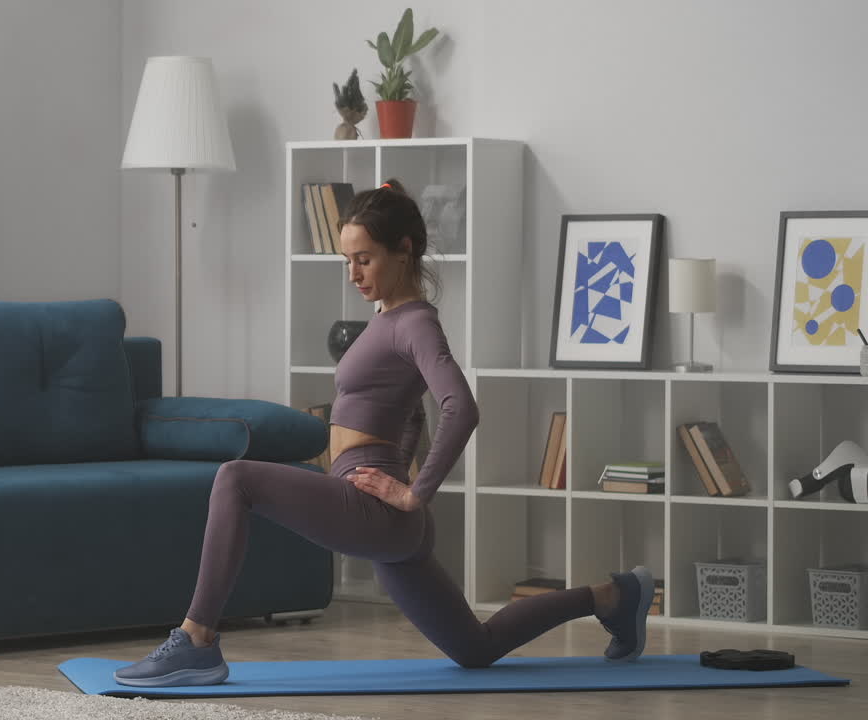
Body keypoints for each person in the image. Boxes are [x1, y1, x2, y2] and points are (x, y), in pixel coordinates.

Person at [113, 179, 655, 688]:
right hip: (386, 515)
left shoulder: (415, 322)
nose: (353, 273)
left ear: (404, 250)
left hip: (373, 504)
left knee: (235, 479)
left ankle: (197, 639)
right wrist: (404, 475)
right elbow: (417, 410)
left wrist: (414, 492)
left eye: (364, 258)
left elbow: (460, 407)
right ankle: (613, 596)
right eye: (347, 260)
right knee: (475, 647)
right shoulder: (388, 318)